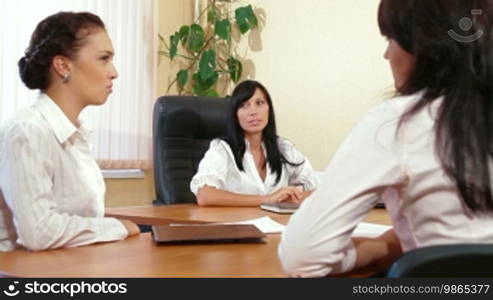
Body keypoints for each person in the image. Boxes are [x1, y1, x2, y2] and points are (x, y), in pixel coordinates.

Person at [279, 0, 493, 277]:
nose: (386, 54)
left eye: (391, 38)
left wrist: (375, 249)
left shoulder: (400, 121)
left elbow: (302, 256)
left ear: (423, 45)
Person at [0, 12, 140, 252]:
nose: (114, 72)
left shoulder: (77, 134)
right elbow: (39, 232)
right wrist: (116, 227)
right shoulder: (27, 130)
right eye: (104, 59)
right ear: (63, 65)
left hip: (68, 266)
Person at [190, 80, 318, 206]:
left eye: (259, 103)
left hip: (275, 225)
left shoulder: (284, 148)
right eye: (244, 105)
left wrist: (293, 197)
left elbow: (317, 186)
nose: (253, 112)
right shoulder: (222, 149)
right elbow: (205, 195)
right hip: (237, 224)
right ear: (235, 115)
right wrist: (268, 199)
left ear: (269, 109)